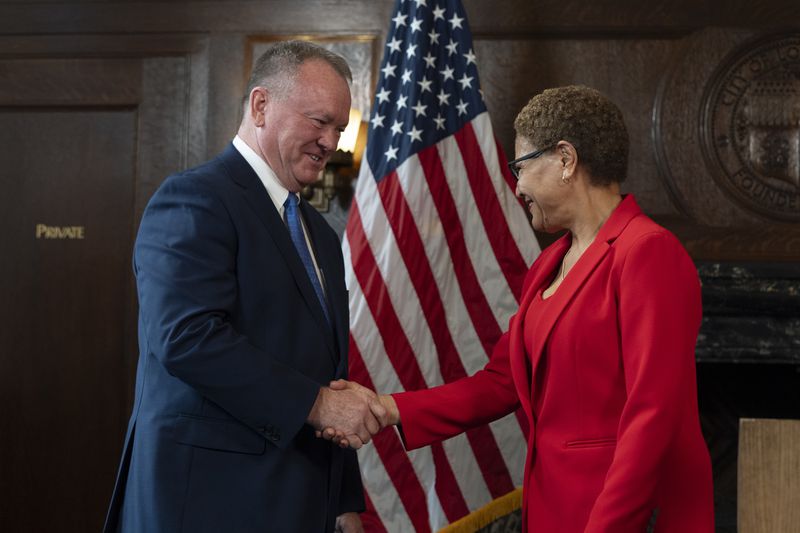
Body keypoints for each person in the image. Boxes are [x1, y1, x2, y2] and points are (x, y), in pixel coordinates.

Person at [325, 85, 715, 532]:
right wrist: (388, 408)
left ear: (566, 159)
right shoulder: (550, 264)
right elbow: (500, 383)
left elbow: (653, 417)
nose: (518, 186)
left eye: (521, 166)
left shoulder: (648, 253)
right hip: (554, 512)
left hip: (622, 518)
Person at [103, 40, 385, 533]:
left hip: (298, 504)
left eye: (340, 127)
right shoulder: (194, 199)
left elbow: (324, 369)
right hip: (205, 504)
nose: (333, 141)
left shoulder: (317, 231)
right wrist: (318, 405)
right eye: (319, 121)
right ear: (260, 105)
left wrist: (342, 500)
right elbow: (187, 338)